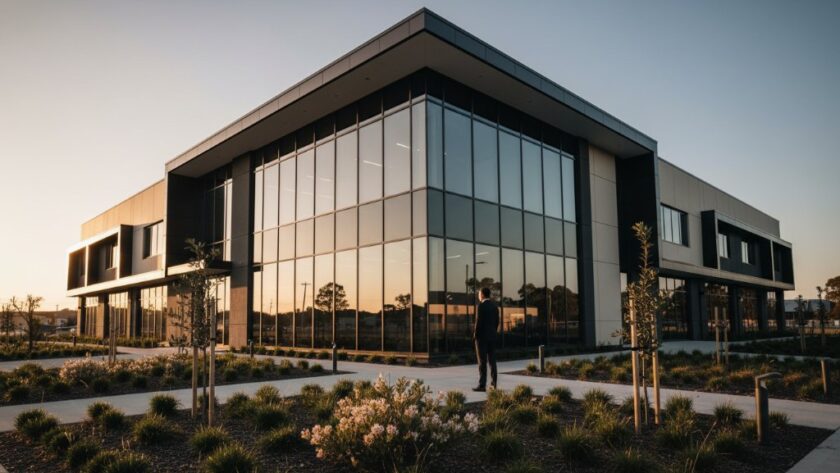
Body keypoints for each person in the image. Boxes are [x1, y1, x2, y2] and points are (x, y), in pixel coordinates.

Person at [473, 286, 499, 391]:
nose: (479, 295)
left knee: (482, 362)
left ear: (482, 294)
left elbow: (478, 322)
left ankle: (482, 385)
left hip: (481, 338)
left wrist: (475, 335)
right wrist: (493, 332)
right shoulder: (495, 307)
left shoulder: (481, 306)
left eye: (479, 294)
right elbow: (497, 322)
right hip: (492, 337)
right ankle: (494, 385)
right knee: (492, 361)